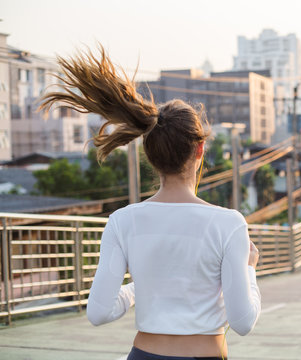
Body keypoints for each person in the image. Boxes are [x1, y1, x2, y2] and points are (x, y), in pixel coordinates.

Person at [39, 46, 261, 360]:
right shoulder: (228, 223)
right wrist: (249, 270)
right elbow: (243, 322)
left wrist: (136, 288)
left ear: (150, 153)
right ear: (199, 150)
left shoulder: (122, 221)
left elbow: (99, 312)